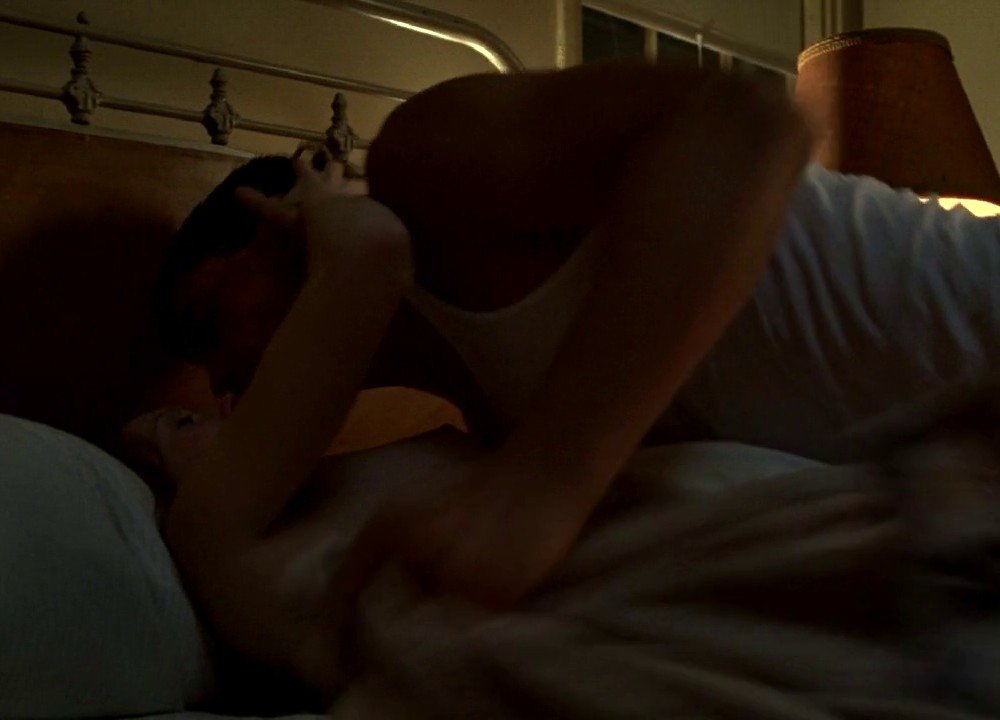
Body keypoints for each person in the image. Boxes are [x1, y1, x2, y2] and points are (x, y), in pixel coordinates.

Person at [135, 62, 813, 699]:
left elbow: (746, 115)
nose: (222, 379)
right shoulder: (495, 417)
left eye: (208, 321)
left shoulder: (421, 165)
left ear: (276, 223)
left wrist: (546, 482)